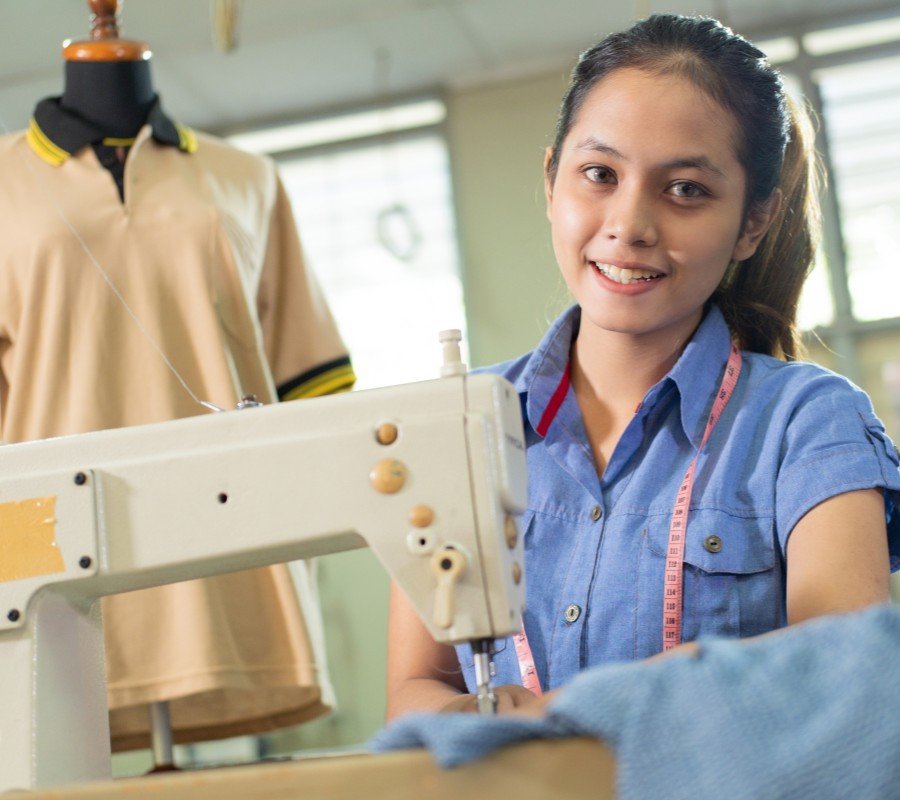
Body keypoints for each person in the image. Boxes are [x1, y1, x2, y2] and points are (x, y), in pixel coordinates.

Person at [385, 13, 900, 718]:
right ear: (551, 180)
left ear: (753, 222)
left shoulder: (807, 423)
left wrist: (552, 716)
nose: (629, 225)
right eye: (599, 174)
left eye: (685, 188)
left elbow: (844, 674)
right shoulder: (454, 425)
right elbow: (414, 691)